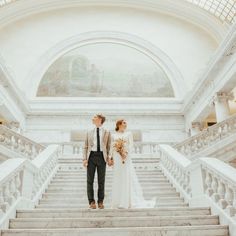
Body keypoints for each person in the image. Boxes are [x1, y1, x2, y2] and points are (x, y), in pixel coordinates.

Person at [108, 119, 156, 208]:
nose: (126, 125)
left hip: (125, 157)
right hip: (116, 158)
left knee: (125, 177)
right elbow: (111, 147)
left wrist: (125, 153)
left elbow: (131, 145)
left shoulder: (129, 134)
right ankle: (117, 202)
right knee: (117, 178)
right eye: (124, 123)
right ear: (119, 124)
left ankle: (125, 202)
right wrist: (110, 158)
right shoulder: (113, 135)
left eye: (126, 123)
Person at [83, 114, 111, 209]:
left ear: (100, 119)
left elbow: (109, 146)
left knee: (101, 181)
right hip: (91, 157)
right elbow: (85, 146)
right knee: (89, 181)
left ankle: (100, 202)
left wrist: (109, 158)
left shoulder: (107, 132)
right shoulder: (89, 132)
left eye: (94, 117)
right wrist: (84, 159)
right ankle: (91, 202)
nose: (92, 118)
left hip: (102, 157)